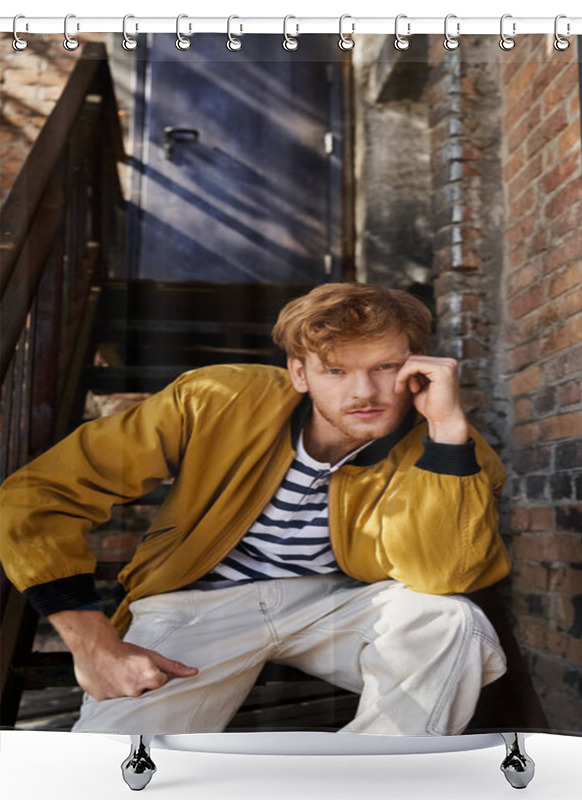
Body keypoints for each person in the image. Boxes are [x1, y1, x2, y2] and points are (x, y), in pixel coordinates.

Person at [0, 282, 511, 736]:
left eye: (385, 367)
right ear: (299, 372)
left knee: (451, 620)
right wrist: (92, 644)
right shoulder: (215, 399)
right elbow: (37, 496)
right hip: (198, 603)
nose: (364, 392)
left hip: (338, 605)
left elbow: (446, 574)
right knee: (112, 766)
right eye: (336, 370)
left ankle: (363, 784)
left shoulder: (451, 448)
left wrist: (446, 434)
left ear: (416, 365)